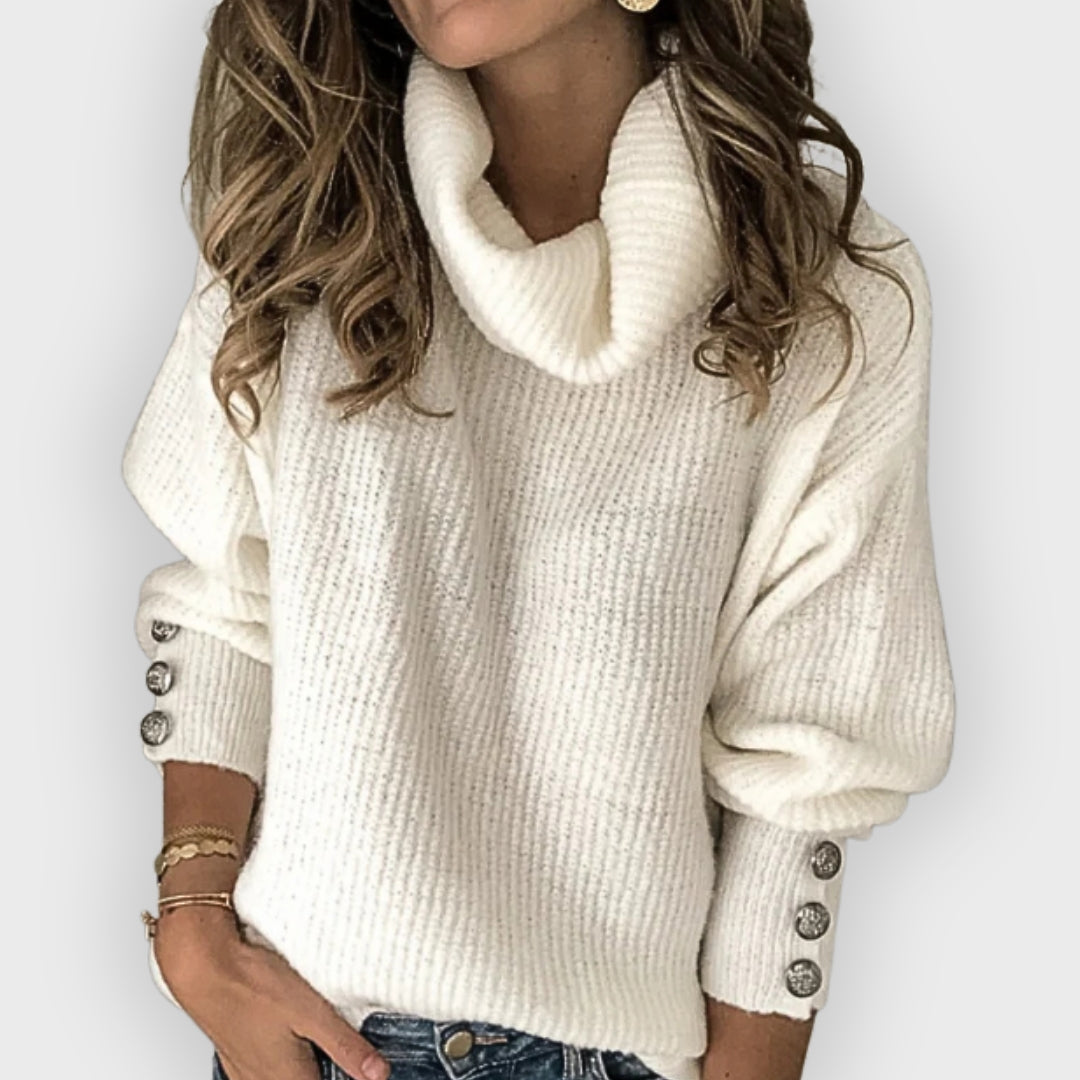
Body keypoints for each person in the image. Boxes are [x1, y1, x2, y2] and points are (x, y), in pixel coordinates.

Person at [121, 2, 956, 1080]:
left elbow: (805, 760)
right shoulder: (318, 208)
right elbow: (228, 594)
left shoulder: (825, 287)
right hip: (313, 1034)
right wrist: (194, 924)